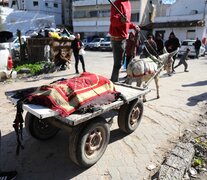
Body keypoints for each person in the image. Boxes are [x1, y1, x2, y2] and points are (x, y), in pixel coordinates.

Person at [109, 0, 139, 82]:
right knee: (117, 64)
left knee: (121, 63)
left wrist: (133, 26)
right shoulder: (117, 3)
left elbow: (127, 22)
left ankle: (115, 81)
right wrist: (120, 20)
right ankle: (114, 83)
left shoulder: (128, 3)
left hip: (124, 38)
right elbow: (113, 21)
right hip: (117, 38)